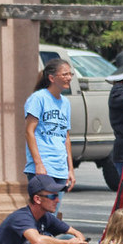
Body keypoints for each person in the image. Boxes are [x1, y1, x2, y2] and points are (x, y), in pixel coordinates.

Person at [25, 59, 75, 193]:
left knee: (53, 210)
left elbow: (66, 138)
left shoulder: (65, 103)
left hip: (61, 169)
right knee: (42, 210)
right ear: (52, 78)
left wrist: (70, 169)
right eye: (65, 74)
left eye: (71, 74)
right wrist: (38, 164)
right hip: (43, 167)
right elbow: (29, 132)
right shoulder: (38, 98)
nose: (69, 78)